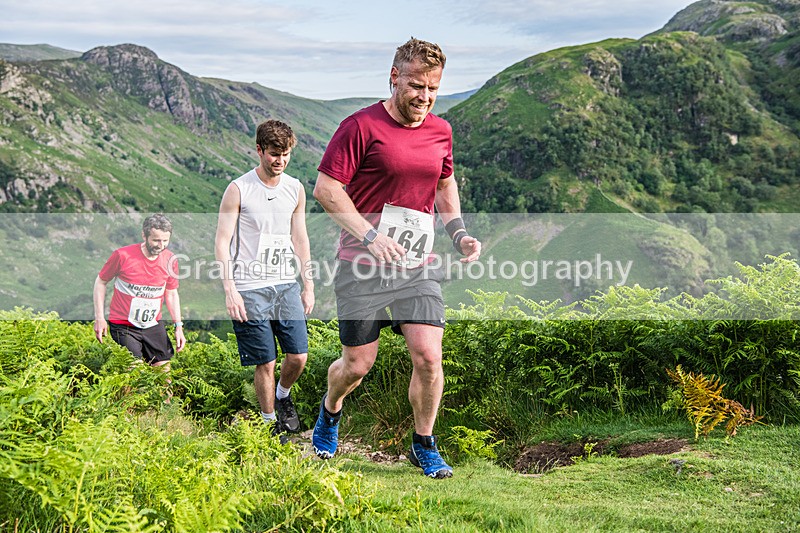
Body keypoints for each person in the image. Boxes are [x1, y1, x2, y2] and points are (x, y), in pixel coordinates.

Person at [311, 37, 481, 478]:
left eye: (433, 89)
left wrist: (457, 231)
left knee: (428, 356)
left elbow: (445, 183)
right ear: (394, 77)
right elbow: (327, 190)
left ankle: (424, 444)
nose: (424, 97)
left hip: (416, 266)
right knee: (356, 365)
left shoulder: (441, 131)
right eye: (416, 87)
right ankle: (331, 409)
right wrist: (370, 237)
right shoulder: (360, 127)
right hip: (361, 264)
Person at [214, 119, 314, 437]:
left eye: (285, 155)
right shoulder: (239, 189)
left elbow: (300, 237)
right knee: (266, 361)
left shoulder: (295, 189)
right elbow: (221, 241)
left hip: (285, 284)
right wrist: (230, 291)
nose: (280, 161)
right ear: (259, 150)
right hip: (249, 287)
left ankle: (283, 396)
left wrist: (308, 283)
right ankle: (270, 425)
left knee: (298, 356)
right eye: (274, 154)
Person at [93, 213, 186, 369]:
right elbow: (100, 282)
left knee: (165, 376)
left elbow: (171, 293)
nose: (160, 245)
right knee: (134, 372)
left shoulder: (170, 260)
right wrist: (99, 318)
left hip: (152, 324)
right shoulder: (122, 256)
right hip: (124, 325)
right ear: (144, 235)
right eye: (156, 240)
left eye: (165, 241)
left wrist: (178, 326)